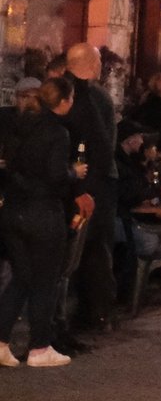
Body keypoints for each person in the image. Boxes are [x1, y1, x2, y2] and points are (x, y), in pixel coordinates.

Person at [0, 76, 92, 368]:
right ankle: (40, 346)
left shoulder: (17, 126)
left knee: (21, 279)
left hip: (13, 211)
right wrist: (74, 173)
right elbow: (54, 175)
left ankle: (1, 342)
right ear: (63, 101)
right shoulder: (56, 132)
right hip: (43, 214)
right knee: (45, 281)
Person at [59, 43, 118, 332]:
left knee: (84, 248)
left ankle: (90, 311)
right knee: (93, 248)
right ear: (91, 65)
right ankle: (96, 312)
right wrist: (87, 186)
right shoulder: (89, 96)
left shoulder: (75, 92)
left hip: (75, 181)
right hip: (89, 184)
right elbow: (99, 145)